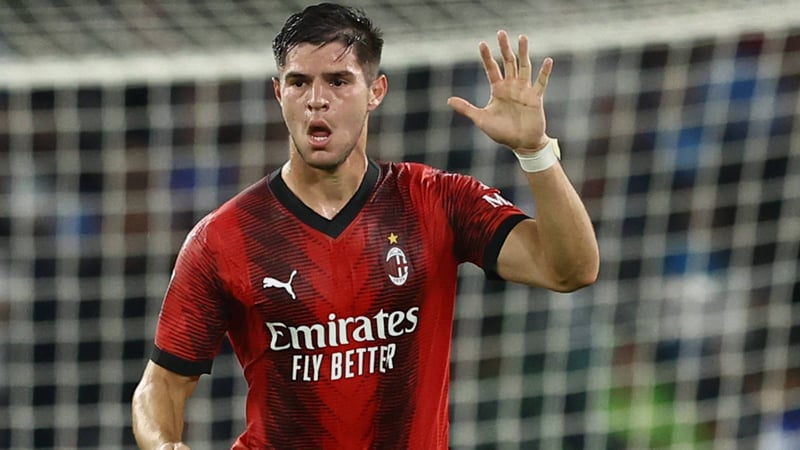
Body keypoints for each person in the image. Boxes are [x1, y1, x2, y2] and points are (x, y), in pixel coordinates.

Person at [131, 3, 599, 449]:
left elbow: (570, 270)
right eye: (299, 82)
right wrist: (166, 444)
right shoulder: (223, 237)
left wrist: (534, 151)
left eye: (338, 81)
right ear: (278, 93)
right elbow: (161, 385)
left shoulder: (436, 200)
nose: (317, 100)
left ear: (376, 91)